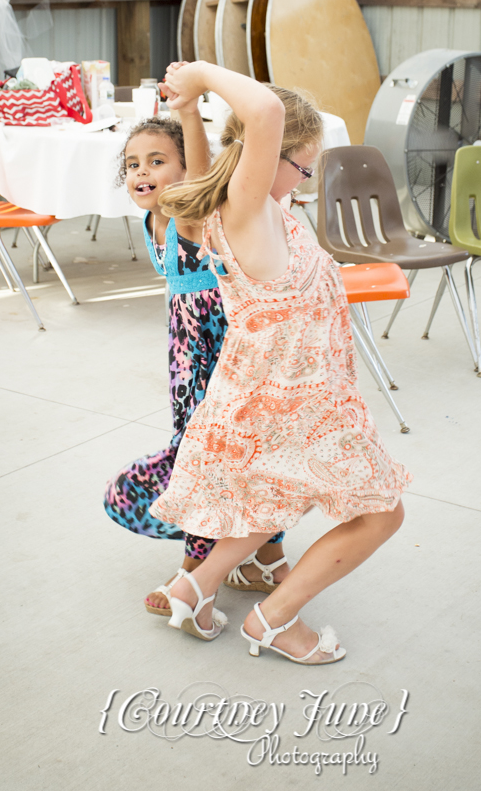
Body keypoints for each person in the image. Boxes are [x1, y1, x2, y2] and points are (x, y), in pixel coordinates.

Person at [149, 61, 412, 664]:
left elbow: (239, 141)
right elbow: (264, 112)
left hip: (276, 390)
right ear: (270, 157)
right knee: (381, 514)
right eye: (303, 166)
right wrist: (196, 76)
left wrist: (189, 111)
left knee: (273, 499)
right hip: (298, 399)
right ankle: (273, 618)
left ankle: (194, 587)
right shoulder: (249, 209)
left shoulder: (246, 207)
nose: (304, 178)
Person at [103, 73, 288, 614]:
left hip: (220, 349)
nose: (143, 171)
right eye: (134, 163)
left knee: (207, 456)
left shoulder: (188, 214)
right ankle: (263, 557)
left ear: (185, 171)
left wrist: (187, 113)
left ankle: (197, 565)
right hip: (187, 356)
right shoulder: (151, 221)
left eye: (158, 160)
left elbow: (201, 178)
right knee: (224, 455)